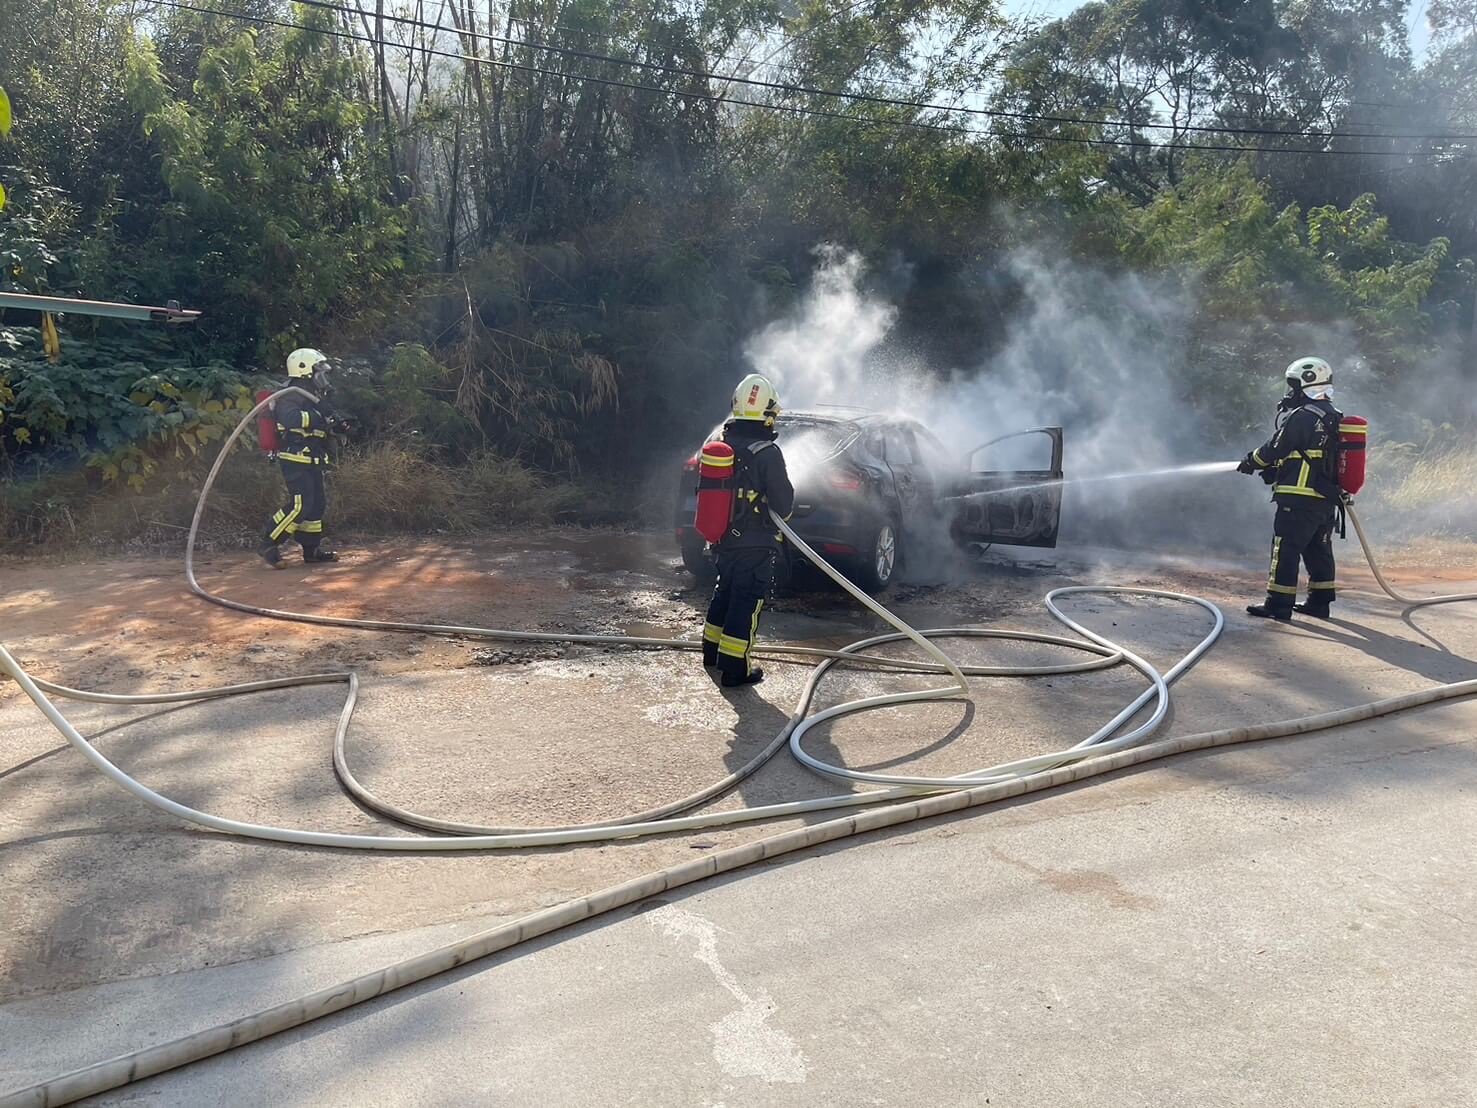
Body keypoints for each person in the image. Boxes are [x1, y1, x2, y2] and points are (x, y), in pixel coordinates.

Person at [702, 374, 795, 687]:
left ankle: (711, 653)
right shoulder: (768, 454)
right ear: (766, 414)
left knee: (724, 591)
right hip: (755, 544)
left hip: (722, 539)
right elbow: (784, 505)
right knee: (747, 602)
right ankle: (735, 669)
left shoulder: (723, 444)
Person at [1237, 355, 1344, 621]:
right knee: (1318, 550)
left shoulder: (1303, 416)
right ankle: (1320, 603)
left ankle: (1278, 605)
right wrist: (1276, 470)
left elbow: (1276, 447)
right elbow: (1306, 455)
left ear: (1307, 384)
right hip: (1324, 500)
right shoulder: (1334, 416)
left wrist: (1252, 461)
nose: (1290, 392)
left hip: (1297, 499)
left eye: (1294, 386)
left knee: (1285, 550)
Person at [258, 347, 346, 568]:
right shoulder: (290, 394)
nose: (323, 377)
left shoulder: (314, 396)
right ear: (305, 370)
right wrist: (320, 416)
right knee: (300, 504)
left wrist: (337, 425)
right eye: (319, 372)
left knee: (317, 505)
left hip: (313, 458)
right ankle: (268, 544)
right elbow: (291, 419)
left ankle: (311, 550)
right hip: (295, 457)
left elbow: (319, 427)